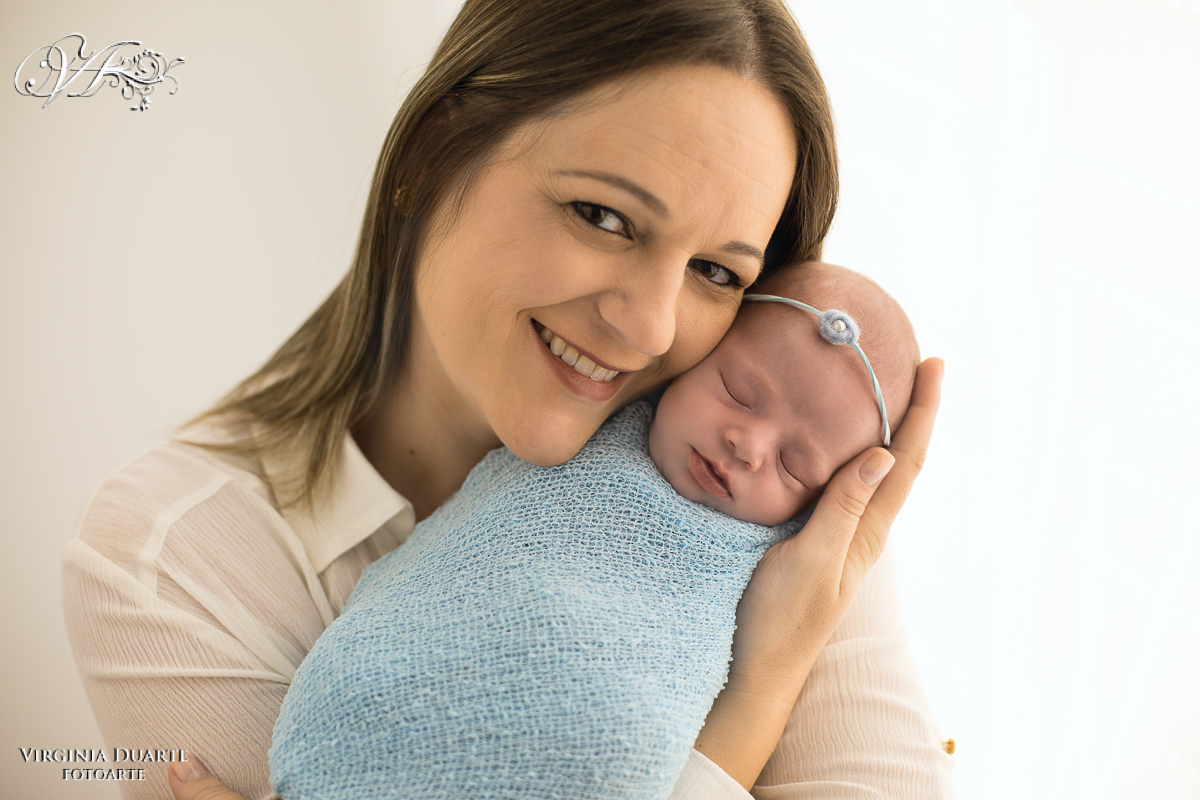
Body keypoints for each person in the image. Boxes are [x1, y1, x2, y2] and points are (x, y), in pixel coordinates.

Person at [60, 2, 950, 799]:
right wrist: (760, 694)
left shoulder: (755, 492)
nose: (649, 326)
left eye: (716, 271)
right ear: (432, 153)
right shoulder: (174, 558)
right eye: (604, 216)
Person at [267, 262, 923, 800]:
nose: (747, 446)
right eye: (737, 392)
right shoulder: (583, 416)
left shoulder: (799, 570)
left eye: (793, 464)